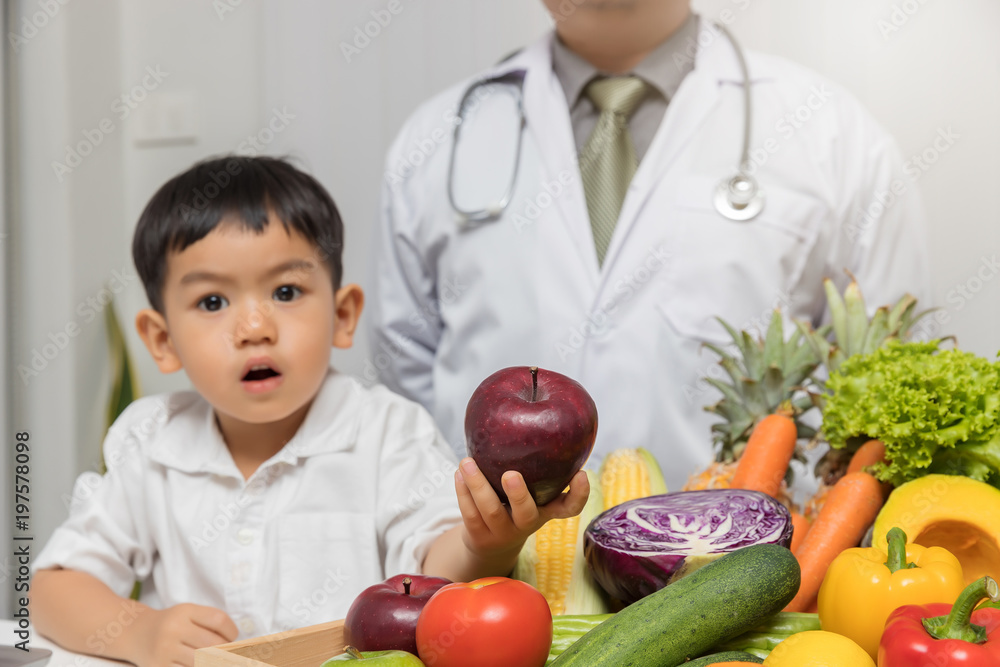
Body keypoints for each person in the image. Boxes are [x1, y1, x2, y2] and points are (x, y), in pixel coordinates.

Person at [30, 156, 588, 667]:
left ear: (343, 315)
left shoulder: (387, 431)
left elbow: (436, 578)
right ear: (162, 339)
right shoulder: (151, 439)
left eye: (287, 292)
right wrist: (140, 631)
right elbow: (51, 590)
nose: (254, 328)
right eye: (213, 302)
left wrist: (485, 542)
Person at [367, 1, 932, 490]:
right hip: (495, 585)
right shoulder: (437, 139)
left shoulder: (832, 136)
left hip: (746, 580)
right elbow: (405, 369)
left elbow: (887, 377)